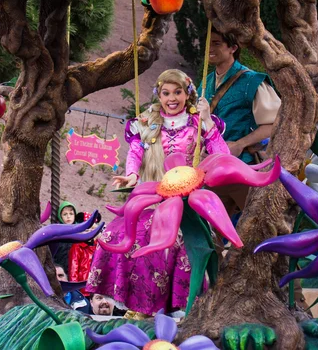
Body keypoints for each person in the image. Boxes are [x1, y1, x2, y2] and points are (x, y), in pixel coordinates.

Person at [86, 69, 230, 316]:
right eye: (166, 93)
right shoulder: (146, 122)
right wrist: (131, 175)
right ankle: (139, 305)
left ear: (188, 94)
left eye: (177, 92)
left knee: (185, 244)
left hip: (188, 201)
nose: (171, 98)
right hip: (154, 197)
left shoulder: (198, 122)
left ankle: (181, 307)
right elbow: (135, 153)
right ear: (159, 96)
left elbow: (224, 157)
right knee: (121, 235)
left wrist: (207, 121)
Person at [198, 28, 281, 215]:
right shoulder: (205, 82)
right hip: (212, 170)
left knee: (256, 225)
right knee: (210, 229)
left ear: (233, 48)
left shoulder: (252, 81)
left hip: (244, 169)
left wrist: (240, 144)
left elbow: (275, 123)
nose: (209, 48)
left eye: (217, 43)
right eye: (208, 43)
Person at [69, 212, 98, 296]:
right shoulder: (77, 246)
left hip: (96, 289)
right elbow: (73, 270)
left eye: (92, 229)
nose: (89, 232)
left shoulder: (98, 246)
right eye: (87, 229)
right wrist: (75, 290)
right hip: (82, 289)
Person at [54, 201, 77, 272]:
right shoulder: (57, 232)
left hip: (75, 268)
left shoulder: (79, 232)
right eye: (65, 214)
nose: (68, 216)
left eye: (71, 214)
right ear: (60, 216)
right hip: (60, 266)